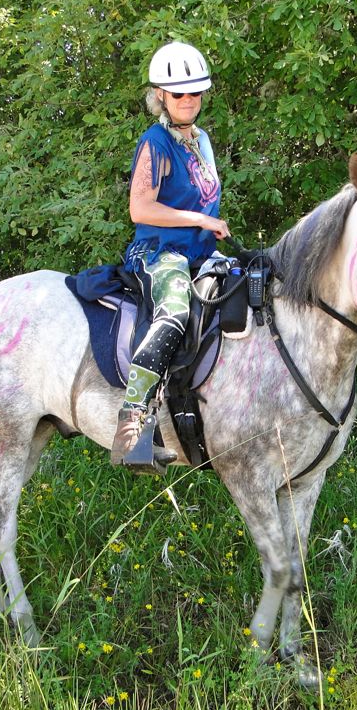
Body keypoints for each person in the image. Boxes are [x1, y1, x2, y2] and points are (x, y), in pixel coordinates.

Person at [111, 41, 230, 467]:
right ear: (160, 94)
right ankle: (133, 430)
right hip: (160, 253)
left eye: (195, 93)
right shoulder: (155, 142)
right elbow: (140, 208)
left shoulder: (202, 140)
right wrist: (199, 221)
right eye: (179, 93)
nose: (188, 101)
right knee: (175, 312)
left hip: (202, 254)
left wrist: (210, 229)